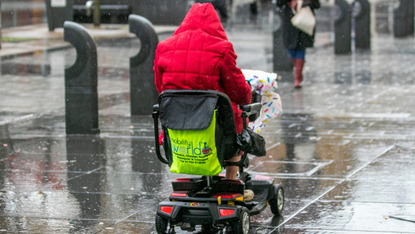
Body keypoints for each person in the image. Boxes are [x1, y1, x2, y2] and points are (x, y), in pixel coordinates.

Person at [153, 3, 252, 180]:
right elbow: (238, 92)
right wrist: (248, 95)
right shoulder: (222, 48)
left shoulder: (164, 47)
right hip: (216, 128)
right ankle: (231, 180)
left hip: (177, 123)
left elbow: (161, 87)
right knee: (239, 116)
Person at [276, 0, 320, 88]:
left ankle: (297, 77)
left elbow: (317, 4)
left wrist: (303, 3)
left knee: (301, 49)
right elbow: (279, 3)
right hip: (290, 22)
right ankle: (298, 72)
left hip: (303, 23)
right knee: (291, 51)